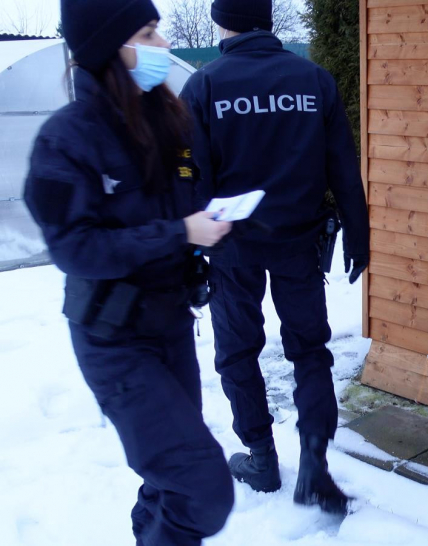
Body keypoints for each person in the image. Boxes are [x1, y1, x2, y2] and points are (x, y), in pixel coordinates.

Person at [23, 1, 235, 544]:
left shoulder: (167, 122)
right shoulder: (66, 138)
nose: (163, 44)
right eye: (147, 32)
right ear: (107, 47)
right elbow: (75, 249)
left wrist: (213, 220)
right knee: (202, 487)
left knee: (170, 479)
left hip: (170, 324)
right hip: (114, 340)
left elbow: (183, 205)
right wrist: (180, 232)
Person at [179, 0, 370, 516]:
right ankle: (314, 461)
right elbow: (343, 168)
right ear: (266, 19)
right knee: (309, 350)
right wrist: (358, 230)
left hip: (231, 249)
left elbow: (189, 175)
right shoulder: (314, 80)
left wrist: (193, 248)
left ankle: (261, 458)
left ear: (223, 22)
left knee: (238, 352)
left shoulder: (204, 86)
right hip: (298, 242)